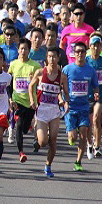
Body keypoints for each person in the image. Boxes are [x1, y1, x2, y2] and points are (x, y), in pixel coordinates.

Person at [31, 46, 69, 177]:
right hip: (41, 110)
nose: (52, 59)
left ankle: (48, 165)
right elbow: (31, 86)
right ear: (46, 58)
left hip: (54, 111)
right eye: (49, 57)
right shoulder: (40, 72)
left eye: (54, 57)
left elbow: (66, 93)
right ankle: (37, 131)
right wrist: (33, 101)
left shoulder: (62, 76)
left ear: (58, 58)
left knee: (53, 140)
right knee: (43, 142)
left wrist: (66, 103)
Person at [62, 42, 98, 172]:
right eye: (77, 51)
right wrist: (63, 100)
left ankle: (78, 161)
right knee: (73, 138)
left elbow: (95, 86)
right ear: (74, 53)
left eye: (82, 51)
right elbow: (61, 85)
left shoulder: (90, 70)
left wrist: (96, 93)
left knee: (83, 133)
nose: (80, 54)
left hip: (84, 107)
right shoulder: (67, 69)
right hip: (70, 108)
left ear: (85, 53)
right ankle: (71, 133)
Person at [7, 38, 41, 162]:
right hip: (17, 101)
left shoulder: (35, 66)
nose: (23, 51)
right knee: (19, 125)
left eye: (25, 49)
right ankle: (21, 152)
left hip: (31, 102)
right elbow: (9, 83)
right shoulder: (13, 64)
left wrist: (35, 79)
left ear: (29, 50)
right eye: (21, 49)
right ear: (18, 50)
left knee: (25, 128)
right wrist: (10, 99)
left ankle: (30, 126)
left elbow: (41, 83)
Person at [85, 34, 102, 159]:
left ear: (101, 47)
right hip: (88, 94)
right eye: (93, 45)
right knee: (89, 122)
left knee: (96, 119)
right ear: (90, 47)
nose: (96, 48)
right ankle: (90, 143)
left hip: (100, 93)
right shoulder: (86, 60)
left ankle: (97, 146)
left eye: (98, 45)